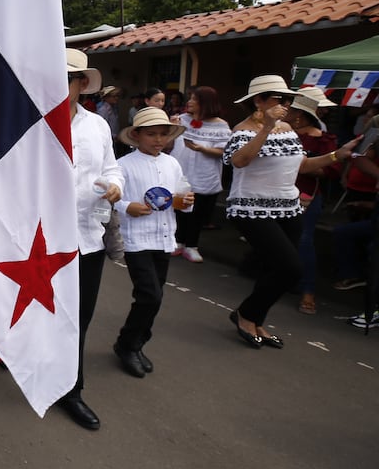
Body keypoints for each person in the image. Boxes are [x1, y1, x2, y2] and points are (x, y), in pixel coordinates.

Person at [223, 75, 355, 348]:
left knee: (277, 269)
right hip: (252, 208)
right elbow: (239, 161)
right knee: (290, 268)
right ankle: (246, 314)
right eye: (278, 98)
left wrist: (336, 155)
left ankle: (254, 318)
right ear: (258, 101)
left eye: (288, 99)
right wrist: (266, 128)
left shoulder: (286, 128)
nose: (285, 104)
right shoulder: (243, 129)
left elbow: (300, 166)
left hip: (289, 208)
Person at [58, 50, 123, 430]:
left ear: (82, 84)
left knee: (78, 318)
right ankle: (25, 360)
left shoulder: (97, 126)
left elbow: (112, 168)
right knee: (36, 311)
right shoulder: (31, 121)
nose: (58, 84)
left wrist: (115, 186)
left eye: (67, 78)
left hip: (87, 237)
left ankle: (71, 389)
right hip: (41, 241)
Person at [111, 108, 192, 378]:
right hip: (137, 239)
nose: (158, 139)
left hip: (164, 237)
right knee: (150, 295)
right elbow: (110, 196)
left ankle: (135, 343)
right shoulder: (124, 165)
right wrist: (126, 206)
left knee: (154, 297)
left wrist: (186, 201)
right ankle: (127, 345)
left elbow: (181, 192)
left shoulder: (172, 164)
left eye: (163, 134)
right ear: (137, 135)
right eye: (151, 134)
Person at [289, 93, 339, 314]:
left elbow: (330, 171)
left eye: (289, 109)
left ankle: (308, 290)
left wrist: (302, 165)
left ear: (299, 114)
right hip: (274, 193)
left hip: (306, 196)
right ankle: (284, 281)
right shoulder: (279, 132)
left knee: (304, 240)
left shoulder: (322, 139)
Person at [171, 86, 232, 263]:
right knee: (180, 209)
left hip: (204, 175)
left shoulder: (220, 125)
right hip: (182, 172)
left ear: (205, 103)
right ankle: (179, 241)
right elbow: (166, 144)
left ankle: (192, 245)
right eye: (189, 98)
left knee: (197, 213)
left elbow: (225, 152)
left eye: (194, 99)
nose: (189, 102)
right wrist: (171, 129)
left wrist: (202, 149)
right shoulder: (181, 120)